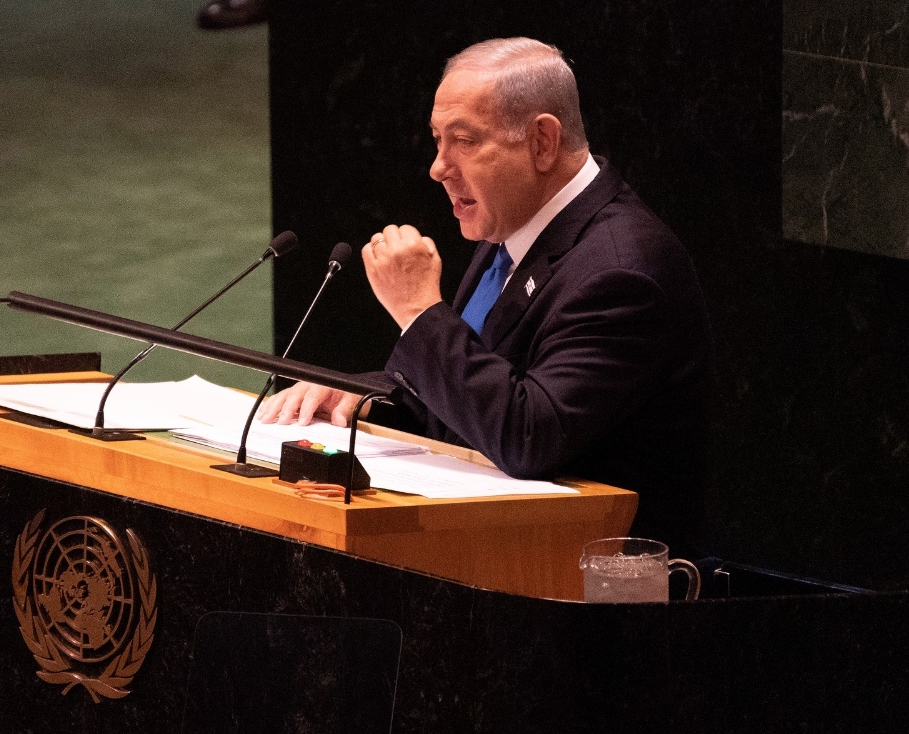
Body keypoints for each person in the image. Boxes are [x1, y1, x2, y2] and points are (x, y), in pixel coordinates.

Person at [258, 38, 712, 558]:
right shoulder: (514, 229)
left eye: (464, 140)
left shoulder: (622, 271)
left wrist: (418, 312)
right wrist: (361, 396)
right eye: (438, 140)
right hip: (499, 552)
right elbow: (469, 397)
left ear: (542, 142)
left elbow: (528, 436)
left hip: (588, 580)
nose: (438, 166)